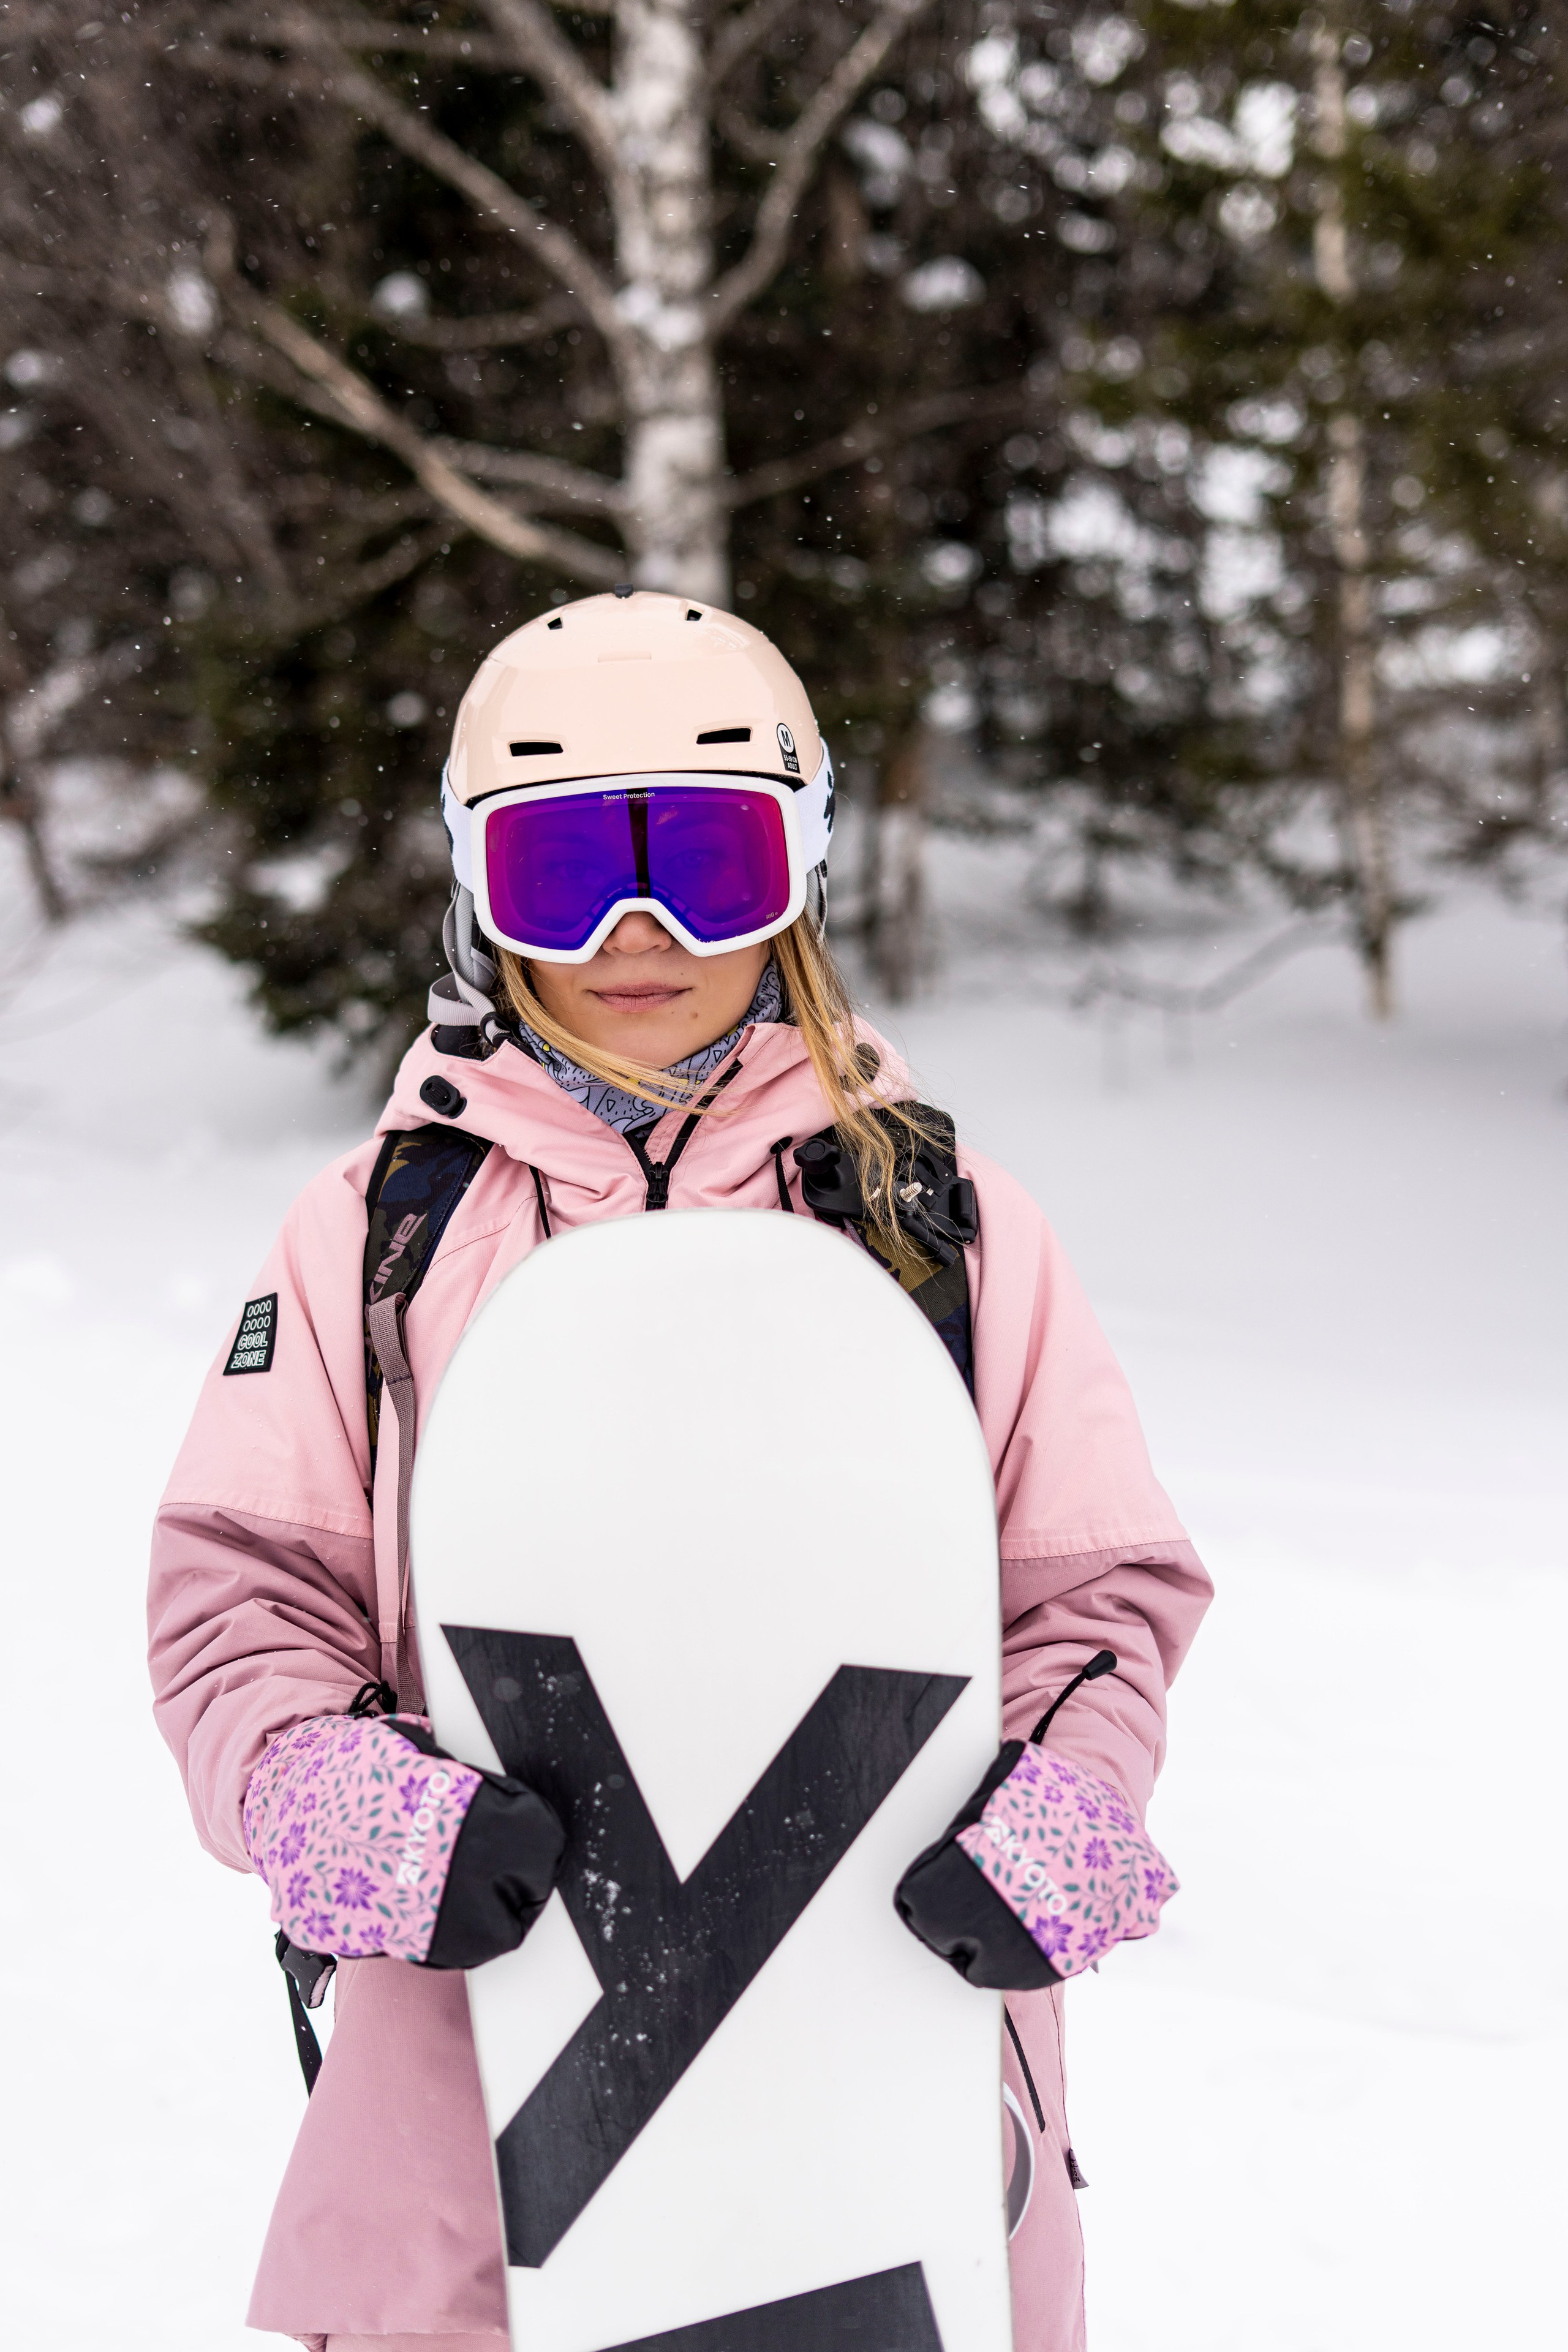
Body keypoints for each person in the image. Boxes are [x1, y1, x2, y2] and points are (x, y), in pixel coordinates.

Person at [148, 589, 1211, 2352]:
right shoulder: (379, 1235)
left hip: (882, 2065)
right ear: (479, 887)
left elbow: (1094, 1595)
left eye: (705, 864)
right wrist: (322, 1788)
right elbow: (241, 1599)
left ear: (796, 871)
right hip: (486, 2072)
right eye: (566, 871)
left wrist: (1067, 1796)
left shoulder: (935, 1226)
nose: (636, 932)